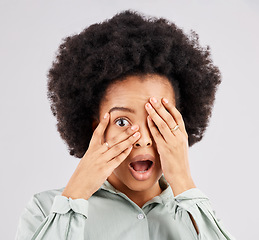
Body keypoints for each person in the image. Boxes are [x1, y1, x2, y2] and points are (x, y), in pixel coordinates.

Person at [15, 10, 236, 240]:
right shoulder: (45, 210)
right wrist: (75, 196)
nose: (142, 138)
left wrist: (183, 181)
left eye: (158, 120)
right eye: (122, 121)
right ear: (95, 129)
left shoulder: (197, 218)